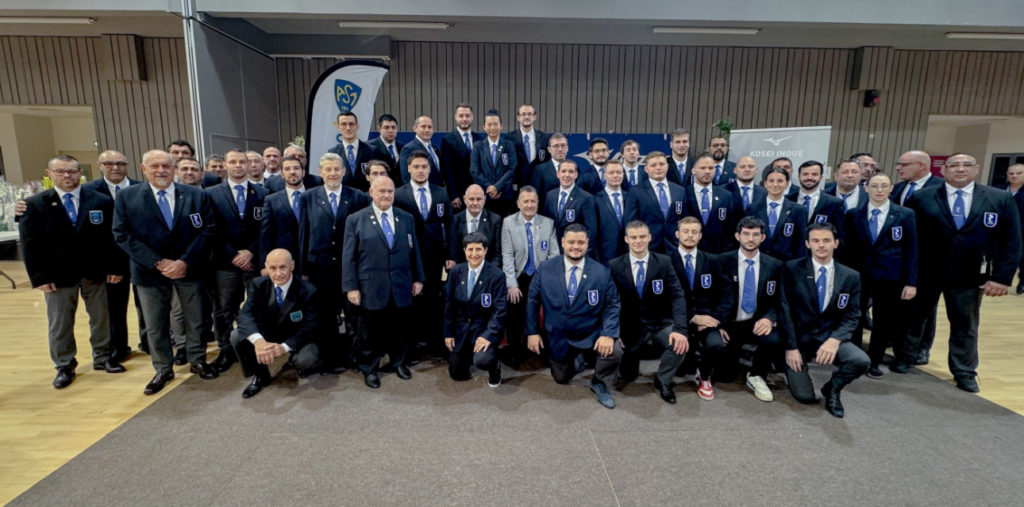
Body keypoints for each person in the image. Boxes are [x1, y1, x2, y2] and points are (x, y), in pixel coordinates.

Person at [901, 153, 1022, 392]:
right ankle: (905, 357)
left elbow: (1012, 240)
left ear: (976, 169)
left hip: (971, 275)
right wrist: (908, 274)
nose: (960, 169)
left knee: (965, 325)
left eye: (967, 165)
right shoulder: (922, 197)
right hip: (927, 272)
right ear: (944, 170)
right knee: (914, 319)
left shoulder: (999, 199)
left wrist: (1001, 278)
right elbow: (910, 239)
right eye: (954, 165)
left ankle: (964, 371)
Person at [113, 150, 217, 395]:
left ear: (174, 169)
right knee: (155, 324)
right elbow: (122, 234)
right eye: (155, 166)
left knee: (196, 318)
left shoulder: (195, 195)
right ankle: (162, 368)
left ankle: (197, 360)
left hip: (188, 269)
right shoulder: (127, 197)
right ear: (143, 169)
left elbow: (208, 230)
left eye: (166, 166)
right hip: (149, 271)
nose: (161, 170)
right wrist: (157, 262)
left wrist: (184, 261)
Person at [21, 155, 126, 389]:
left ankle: (103, 357)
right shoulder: (36, 204)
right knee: (60, 323)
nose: (67, 175)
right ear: (49, 174)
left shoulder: (101, 201)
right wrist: (39, 277)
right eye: (60, 171)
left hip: (95, 271)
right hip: (57, 276)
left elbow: (113, 238)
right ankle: (64, 365)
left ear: (80, 173)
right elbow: (30, 244)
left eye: (71, 171)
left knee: (101, 318)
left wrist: (115, 267)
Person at [526, 224, 622, 409]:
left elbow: (612, 305)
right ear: (562, 242)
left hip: (590, 332)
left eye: (580, 242)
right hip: (558, 336)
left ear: (587, 244)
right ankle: (578, 360)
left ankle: (599, 381)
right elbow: (532, 301)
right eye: (571, 242)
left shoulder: (601, 272)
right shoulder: (545, 269)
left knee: (614, 351)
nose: (575, 246)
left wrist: (608, 334)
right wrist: (532, 332)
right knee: (561, 378)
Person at [779, 223, 868, 418]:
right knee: (804, 397)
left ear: (836, 243)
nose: (821, 245)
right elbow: (784, 311)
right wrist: (790, 347)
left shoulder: (851, 276)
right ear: (807, 244)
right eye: (816, 241)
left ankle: (832, 389)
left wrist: (835, 339)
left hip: (829, 336)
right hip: (799, 341)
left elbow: (852, 315)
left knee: (860, 360)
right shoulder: (791, 269)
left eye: (826, 240)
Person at [342, 176, 425, 388]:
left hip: (400, 284)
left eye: (390, 191)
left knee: (400, 328)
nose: (386, 195)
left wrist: (418, 278)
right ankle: (369, 368)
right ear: (371, 192)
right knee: (370, 332)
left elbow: (414, 250)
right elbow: (349, 257)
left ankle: (398, 363)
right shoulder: (356, 219)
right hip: (370, 286)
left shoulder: (406, 218)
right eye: (382, 191)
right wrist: (351, 287)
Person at [298, 153, 371, 372]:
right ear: (320, 172)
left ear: (344, 171)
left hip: (349, 268)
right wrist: (302, 269)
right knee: (325, 317)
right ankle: (330, 360)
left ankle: (354, 358)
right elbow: (303, 233)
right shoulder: (308, 197)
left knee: (353, 316)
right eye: (328, 169)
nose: (333, 173)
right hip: (319, 269)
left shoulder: (358, 197)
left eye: (337, 169)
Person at [841, 173, 918, 378]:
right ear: (866, 188)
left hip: (890, 277)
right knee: (855, 317)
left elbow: (911, 250)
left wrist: (911, 282)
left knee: (884, 321)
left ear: (891, 188)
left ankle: (874, 360)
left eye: (884, 186)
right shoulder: (854, 214)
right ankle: (855, 358)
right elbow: (847, 249)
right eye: (874, 186)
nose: (879, 190)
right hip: (859, 275)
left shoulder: (905, 214)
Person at [609, 220, 688, 403]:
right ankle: (629, 366)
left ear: (650, 237)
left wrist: (680, 329)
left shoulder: (664, 262)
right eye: (633, 237)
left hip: (659, 321)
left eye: (642, 236)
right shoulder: (615, 265)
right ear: (626, 239)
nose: (638, 241)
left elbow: (677, 296)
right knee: (628, 374)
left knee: (679, 344)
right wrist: (613, 330)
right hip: (630, 325)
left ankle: (663, 380)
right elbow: (611, 302)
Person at [204, 149, 268, 373]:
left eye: (243, 161)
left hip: (254, 261)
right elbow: (210, 230)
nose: (238, 165)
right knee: (223, 310)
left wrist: (250, 252)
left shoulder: (263, 193)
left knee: (258, 307)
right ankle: (225, 351)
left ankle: (254, 347)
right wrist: (233, 255)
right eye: (233, 161)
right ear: (225, 165)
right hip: (224, 263)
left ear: (249, 165)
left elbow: (265, 229)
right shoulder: (211, 194)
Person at [231, 249, 322, 398]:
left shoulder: (308, 290)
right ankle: (260, 375)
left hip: (295, 335)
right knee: (236, 336)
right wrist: (259, 342)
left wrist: (284, 347)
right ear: (266, 267)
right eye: (272, 268)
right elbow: (245, 315)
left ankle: (294, 360)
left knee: (307, 359)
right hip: (269, 332)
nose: (278, 273)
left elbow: (310, 327)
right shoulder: (257, 284)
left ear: (292, 266)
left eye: (282, 267)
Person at [81, 150, 146, 360]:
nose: (115, 167)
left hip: (142, 257)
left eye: (120, 163)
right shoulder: (87, 192)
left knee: (147, 305)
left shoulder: (142, 188)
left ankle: (148, 342)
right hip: (110, 262)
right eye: (109, 163)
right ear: (99, 165)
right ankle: (118, 347)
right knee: (114, 307)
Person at [395, 151, 456, 358]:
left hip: (435, 256)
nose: (420, 170)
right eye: (416, 167)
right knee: (411, 301)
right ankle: (412, 347)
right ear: (408, 169)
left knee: (434, 300)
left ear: (429, 169)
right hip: (409, 257)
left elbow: (450, 225)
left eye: (424, 167)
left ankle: (435, 344)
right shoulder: (399, 194)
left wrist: (451, 255)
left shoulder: (441, 193)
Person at [718, 217, 784, 402]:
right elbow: (713, 296)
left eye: (755, 235)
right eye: (746, 234)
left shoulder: (775, 265)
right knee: (725, 376)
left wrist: (769, 318)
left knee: (774, 338)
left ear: (762, 238)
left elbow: (779, 299)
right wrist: (718, 323)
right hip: (731, 323)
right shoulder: (722, 261)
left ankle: (756, 374)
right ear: (737, 236)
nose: (750, 239)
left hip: (757, 321)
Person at [669, 217, 735, 401]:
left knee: (716, 344)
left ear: (700, 235)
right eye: (686, 231)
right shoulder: (666, 261)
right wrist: (692, 317)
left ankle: (704, 377)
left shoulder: (712, 260)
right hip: (677, 319)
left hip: (708, 319)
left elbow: (727, 293)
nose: (690, 236)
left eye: (694, 232)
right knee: (674, 347)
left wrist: (716, 320)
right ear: (677, 234)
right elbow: (663, 298)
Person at [501, 186, 560, 367]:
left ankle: (544, 349)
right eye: (525, 201)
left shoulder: (548, 223)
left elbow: (554, 256)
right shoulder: (508, 223)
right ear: (518, 204)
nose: (529, 205)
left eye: (533, 201)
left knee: (547, 309)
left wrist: (547, 282)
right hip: (519, 275)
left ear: (538, 203)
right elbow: (507, 255)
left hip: (541, 275)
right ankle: (515, 349)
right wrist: (511, 284)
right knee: (514, 305)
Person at [443, 232, 507, 385]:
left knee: (483, 360)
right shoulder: (456, 272)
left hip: (484, 330)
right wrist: (448, 333)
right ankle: (467, 355)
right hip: (462, 330)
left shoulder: (497, 275)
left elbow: (500, 311)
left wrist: (488, 335)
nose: (474, 254)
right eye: (470, 249)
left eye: (478, 249)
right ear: (464, 251)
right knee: (457, 374)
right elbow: (449, 305)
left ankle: (494, 366)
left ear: (485, 250)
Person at [623, 151, 688, 253]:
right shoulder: (636, 191)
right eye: (653, 165)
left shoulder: (679, 190)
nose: (658, 168)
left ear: (667, 166)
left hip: (675, 246)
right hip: (648, 247)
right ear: (646, 169)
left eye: (662, 164)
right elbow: (630, 223)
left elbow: (684, 219)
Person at [683, 155, 743, 253]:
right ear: (693, 171)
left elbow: (731, 227)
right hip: (690, 251)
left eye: (711, 168)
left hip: (718, 254)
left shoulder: (726, 196)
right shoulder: (683, 193)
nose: (707, 171)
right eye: (702, 168)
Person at [748, 167, 808, 261]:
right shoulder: (753, 208)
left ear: (787, 184)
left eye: (780, 181)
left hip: (786, 262)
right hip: (759, 261)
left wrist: (799, 264)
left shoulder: (798, 210)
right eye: (771, 181)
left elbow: (801, 241)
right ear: (765, 183)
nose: (775, 184)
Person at [259, 155, 305, 268]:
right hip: (282, 262)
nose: (292, 172)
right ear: (282, 174)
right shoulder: (271, 200)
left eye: (296, 168)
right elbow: (266, 235)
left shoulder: (315, 197)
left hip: (311, 261)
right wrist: (264, 265)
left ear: (303, 172)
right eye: (287, 169)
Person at [470, 110, 519, 217]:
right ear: (484, 127)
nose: (492, 128)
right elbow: (474, 171)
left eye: (496, 124)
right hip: (485, 196)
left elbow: (512, 169)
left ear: (501, 126)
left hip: (505, 196)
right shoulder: (478, 146)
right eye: (489, 124)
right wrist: (489, 188)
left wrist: (497, 187)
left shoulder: (508, 145)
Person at [543, 160, 598, 246]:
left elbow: (590, 231)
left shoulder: (586, 198)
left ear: (576, 175)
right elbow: (547, 224)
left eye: (571, 172)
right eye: (563, 171)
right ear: (558, 174)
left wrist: (584, 250)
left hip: (575, 248)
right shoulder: (550, 195)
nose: (567, 175)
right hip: (554, 248)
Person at [440, 103, 484, 208]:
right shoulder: (447, 140)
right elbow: (447, 171)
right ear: (456, 117)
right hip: (458, 195)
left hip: (478, 192)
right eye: (461, 116)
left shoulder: (480, 139)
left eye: (467, 116)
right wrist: (453, 195)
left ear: (472, 117)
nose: (464, 119)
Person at [790, 160, 845, 236]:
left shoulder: (834, 203)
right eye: (805, 174)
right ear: (799, 177)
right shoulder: (787, 199)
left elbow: (839, 234)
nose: (809, 177)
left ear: (821, 177)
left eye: (814, 174)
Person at [451, 184, 502, 265]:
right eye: (471, 199)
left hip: (487, 269)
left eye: (479, 199)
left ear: (484, 199)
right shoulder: (454, 220)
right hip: (461, 269)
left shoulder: (495, 220)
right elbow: (452, 253)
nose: (475, 203)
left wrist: (488, 271)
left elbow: (497, 254)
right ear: (464, 199)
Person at [327, 111, 375, 191]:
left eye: (351, 124)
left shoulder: (372, 151)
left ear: (357, 126)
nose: (348, 128)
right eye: (343, 124)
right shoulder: (332, 153)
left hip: (366, 196)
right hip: (343, 196)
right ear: (338, 127)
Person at [505, 104, 548, 189]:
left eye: (529, 114)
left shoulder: (544, 138)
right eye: (523, 114)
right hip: (516, 185)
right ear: (518, 117)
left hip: (538, 185)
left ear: (534, 117)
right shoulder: (509, 138)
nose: (526, 117)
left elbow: (547, 162)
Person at [594, 160, 629, 264]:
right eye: (611, 172)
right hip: (606, 255)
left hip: (629, 253)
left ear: (623, 174)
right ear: (604, 175)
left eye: (619, 172)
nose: (615, 175)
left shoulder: (631, 197)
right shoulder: (595, 200)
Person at [1000, 163, 1024, 294]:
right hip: (1000, 231)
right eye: (1011, 173)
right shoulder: (999, 189)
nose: (1014, 176)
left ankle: (1022, 282)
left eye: (1018, 173)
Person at [399, 115, 442, 185]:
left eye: (430, 127)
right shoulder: (408, 149)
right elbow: (406, 177)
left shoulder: (435, 149)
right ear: (415, 128)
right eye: (423, 126)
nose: (427, 130)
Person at [530, 132, 568, 210]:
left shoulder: (574, 168)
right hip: (546, 213)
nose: (560, 149)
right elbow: (535, 196)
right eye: (556, 146)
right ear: (549, 149)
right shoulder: (539, 170)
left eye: (563, 145)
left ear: (567, 148)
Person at [367, 113, 403, 180]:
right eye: (386, 127)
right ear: (379, 129)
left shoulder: (403, 147)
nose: (390, 130)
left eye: (393, 127)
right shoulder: (369, 147)